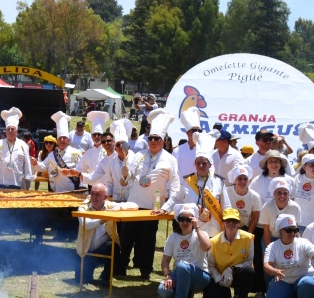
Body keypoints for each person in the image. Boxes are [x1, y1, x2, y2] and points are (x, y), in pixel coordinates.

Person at [125, 109, 183, 280]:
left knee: (147, 240)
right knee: (127, 237)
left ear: (163, 141)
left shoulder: (170, 159)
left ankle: (145, 270)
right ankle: (121, 266)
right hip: (134, 204)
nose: (153, 141)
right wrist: (124, 175)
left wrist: (165, 208)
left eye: (157, 139)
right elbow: (128, 178)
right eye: (150, 138)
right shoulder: (139, 156)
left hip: (153, 206)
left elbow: (176, 186)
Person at [157, 203, 211, 298]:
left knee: (182, 265)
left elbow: (207, 247)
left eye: (189, 219)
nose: (185, 222)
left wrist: (197, 227)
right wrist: (168, 276)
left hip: (200, 275)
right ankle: (187, 293)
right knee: (163, 290)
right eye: (182, 219)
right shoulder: (173, 237)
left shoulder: (201, 233)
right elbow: (165, 260)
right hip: (179, 274)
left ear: (194, 220)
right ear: (178, 220)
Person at [204, 208, 257, 298]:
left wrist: (232, 269)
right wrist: (219, 279)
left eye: (234, 221)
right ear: (223, 222)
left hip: (239, 273)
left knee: (249, 272)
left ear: (239, 223)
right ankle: (225, 296)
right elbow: (211, 265)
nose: (231, 224)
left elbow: (249, 261)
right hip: (221, 276)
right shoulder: (213, 241)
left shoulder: (248, 238)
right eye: (228, 221)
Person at [180, 132, 231, 238]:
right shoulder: (187, 181)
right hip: (192, 229)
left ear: (210, 164)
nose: (201, 166)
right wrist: (165, 209)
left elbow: (226, 206)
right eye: (198, 163)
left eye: (204, 163)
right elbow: (177, 199)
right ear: (194, 164)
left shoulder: (219, 182)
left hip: (214, 230)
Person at [74, 183, 125, 284]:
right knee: (82, 280)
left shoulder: (110, 206)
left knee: (113, 246)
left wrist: (118, 208)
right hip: (86, 252)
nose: (93, 197)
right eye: (92, 194)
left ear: (105, 197)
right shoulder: (83, 208)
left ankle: (106, 277)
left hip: (102, 250)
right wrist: (103, 220)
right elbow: (86, 224)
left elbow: (134, 205)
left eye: (97, 194)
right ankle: (88, 271)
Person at [0, 108, 35, 190]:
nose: (10, 131)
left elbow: (27, 164)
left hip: (16, 183)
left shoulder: (23, 145)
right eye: (8, 129)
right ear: (6, 131)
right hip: (0, 182)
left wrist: (28, 180)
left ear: (17, 131)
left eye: (13, 129)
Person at [38, 112, 84, 193]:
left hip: (72, 190)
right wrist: (35, 163)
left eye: (64, 138)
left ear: (68, 140)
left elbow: (83, 169)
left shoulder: (76, 153)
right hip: (55, 189)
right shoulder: (52, 154)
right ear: (57, 141)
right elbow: (43, 166)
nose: (62, 140)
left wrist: (82, 186)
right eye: (60, 138)